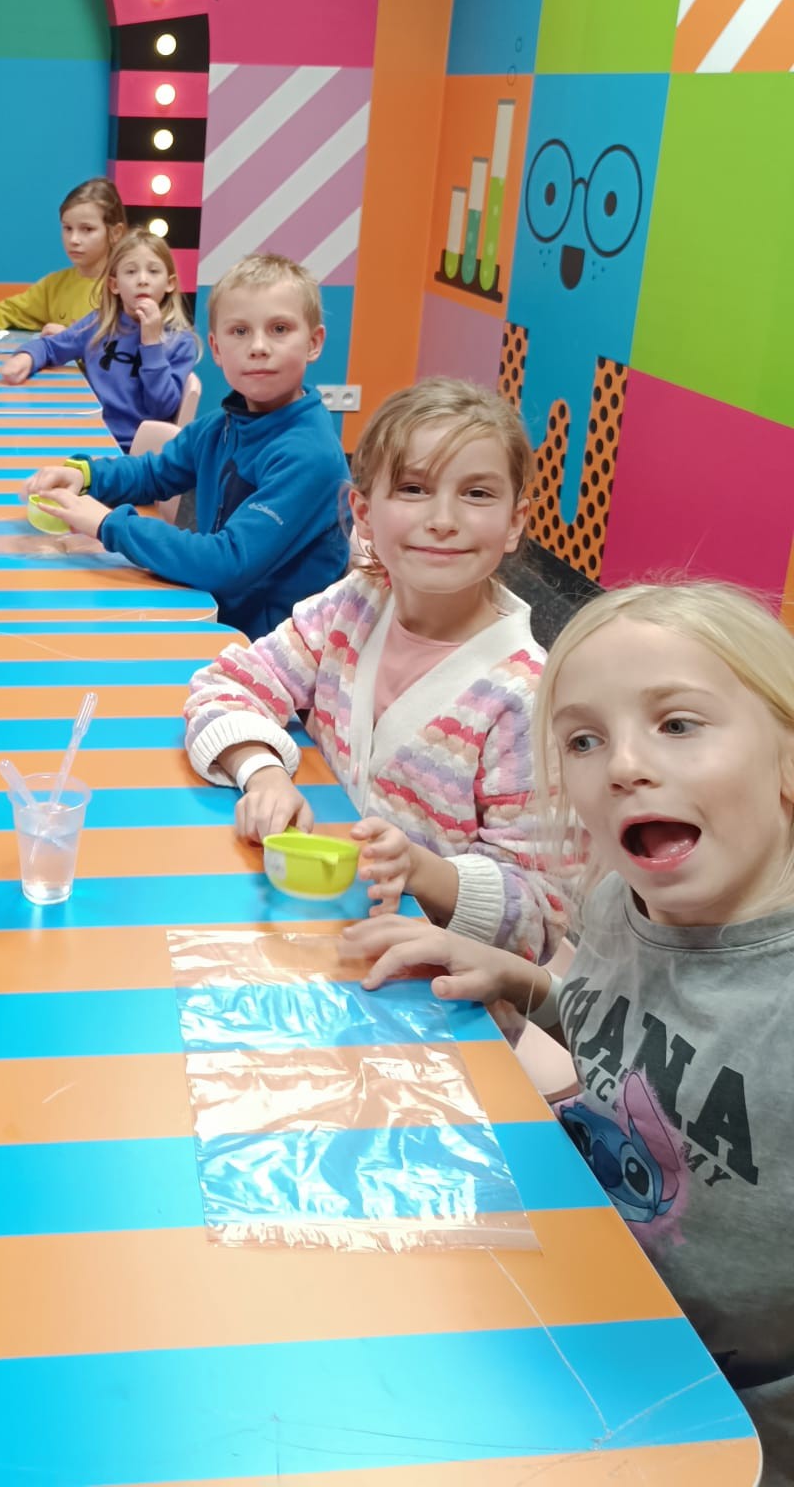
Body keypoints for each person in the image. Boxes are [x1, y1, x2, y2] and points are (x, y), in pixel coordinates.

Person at [344, 580, 794, 1482]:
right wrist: (526, 982)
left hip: (727, 1409)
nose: (622, 765)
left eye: (677, 724)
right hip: (581, 1295)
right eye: (584, 740)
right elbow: (626, 1030)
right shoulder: (621, 901)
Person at [184, 377, 566, 962]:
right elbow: (227, 684)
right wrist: (262, 772)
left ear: (515, 522)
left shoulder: (528, 697)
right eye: (413, 488)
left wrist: (421, 870)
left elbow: (540, 914)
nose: (443, 519)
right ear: (363, 513)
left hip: (429, 980)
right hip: (311, 923)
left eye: (477, 494)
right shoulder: (353, 607)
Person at [25, 252, 348, 640]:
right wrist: (86, 475)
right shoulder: (222, 424)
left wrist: (107, 524)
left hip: (266, 650)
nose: (259, 346)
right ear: (216, 348)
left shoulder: (310, 456)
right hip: (211, 608)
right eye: (240, 331)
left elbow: (227, 562)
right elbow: (154, 473)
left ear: (313, 343)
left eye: (279, 328)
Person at [0, 226, 200, 450]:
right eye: (131, 272)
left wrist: (152, 344)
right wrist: (26, 357)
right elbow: (51, 347)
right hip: (87, 435)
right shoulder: (99, 324)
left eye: (153, 271)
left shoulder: (181, 342)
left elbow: (161, 409)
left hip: (132, 452)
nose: (142, 280)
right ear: (114, 285)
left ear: (170, 283)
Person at [0, 176, 126, 336]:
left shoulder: (126, 286)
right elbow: (8, 312)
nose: (74, 239)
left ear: (115, 233)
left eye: (87, 229)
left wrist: (71, 339)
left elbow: (128, 347)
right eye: (68, 228)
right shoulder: (54, 286)